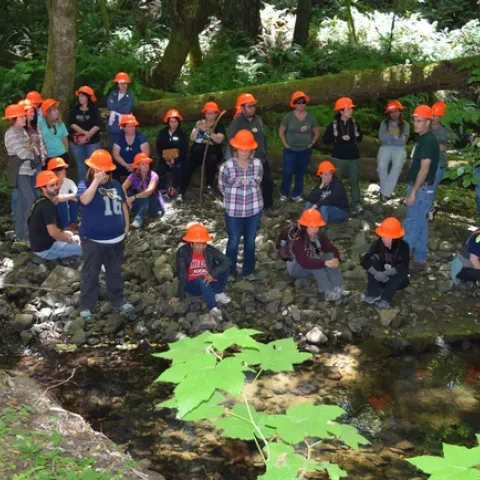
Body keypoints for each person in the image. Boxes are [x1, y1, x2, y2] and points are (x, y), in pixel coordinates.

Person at [77, 149, 134, 320]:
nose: (104, 173)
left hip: (116, 239)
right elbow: (84, 200)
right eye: (99, 170)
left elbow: (124, 204)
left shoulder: (116, 185)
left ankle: (118, 300)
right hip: (93, 240)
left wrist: (126, 225)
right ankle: (87, 305)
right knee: (90, 273)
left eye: (106, 170)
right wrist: (95, 182)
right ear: (92, 169)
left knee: (114, 271)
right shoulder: (84, 185)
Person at [219, 129, 263, 281]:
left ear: (251, 149)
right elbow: (222, 186)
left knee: (250, 241)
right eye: (241, 148)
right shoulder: (227, 166)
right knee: (233, 241)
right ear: (235, 148)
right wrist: (233, 196)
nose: (244, 152)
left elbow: (259, 181)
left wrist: (240, 184)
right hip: (233, 211)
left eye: (247, 149)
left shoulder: (257, 164)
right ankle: (229, 272)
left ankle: (248, 271)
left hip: (254, 208)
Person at [169, 224, 232, 321]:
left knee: (225, 268)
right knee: (202, 280)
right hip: (193, 285)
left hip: (209, 280)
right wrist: (179, 295)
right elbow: (182, 274)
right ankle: (213, 308)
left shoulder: (208, 249)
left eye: (204, 243)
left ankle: (218, 292)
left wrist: (213, 274)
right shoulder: (183, 252)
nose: (202, 246)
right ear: (191, 243)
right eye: (198, 244)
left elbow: (227, 261)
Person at [403, 105, 440, 271]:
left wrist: (413, 192)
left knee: (411, 223)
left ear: (427, 122)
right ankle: (420, 259)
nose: (415, 124)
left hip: (422, 189)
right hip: (422, 188)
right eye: (414, 120)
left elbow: (424, 168)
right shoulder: (424, 139)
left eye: (419, 121)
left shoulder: (428, 140)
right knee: (420, 222)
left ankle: (400, 259)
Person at [226, 93, 275, 214]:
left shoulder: (258, 120)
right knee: (249, 186)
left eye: (253, 105)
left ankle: (268, 207)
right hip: (245, 161)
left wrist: (265, 152)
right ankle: (248, 210)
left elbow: (263, 138)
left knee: (268, 183)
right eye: (249, 106)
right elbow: (232, 142)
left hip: (261, 159)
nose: (252, 108)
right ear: (242, 108)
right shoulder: (237, 123)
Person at [286, 208, 349, 301]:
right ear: (305, 226)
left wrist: (336, 258)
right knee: (317, 265)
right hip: (297, 268)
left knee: (330, 256)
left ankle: (337, 287)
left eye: (317, 227)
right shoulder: (297, 239)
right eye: (311, 227)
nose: (314, 230)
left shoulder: (319, 235)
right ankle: (327, 292)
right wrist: (324, 263)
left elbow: (331, 248)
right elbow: (304, 262)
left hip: (311, 260)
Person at [28, 170, 82, 260]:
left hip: (39, 244)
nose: (56, 187)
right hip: (47, 249)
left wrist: (70, 196)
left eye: (56, 184)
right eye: (52, 185)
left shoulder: (39, 201)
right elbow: (53, 232)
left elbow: (59, 198)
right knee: (88, 246)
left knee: (69, 233)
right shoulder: (47, 206)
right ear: (43, 188)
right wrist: (71, 240)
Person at [323, 97, 364, 214]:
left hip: (354, 158)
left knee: (354, 181)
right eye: (348, 108)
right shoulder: (334, 125)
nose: (351, 110)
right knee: (336, 181)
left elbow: (360, 139)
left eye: (351, 108)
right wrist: (333, 135)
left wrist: (357, 134)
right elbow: (325, 141)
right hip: (338, 158)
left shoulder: (355, 123)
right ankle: (333, 202)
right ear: (341, 111)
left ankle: (356, 203)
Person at [178, 102, 225, 201]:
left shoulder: (219, 125)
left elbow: (219, 140)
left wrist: (208, 131)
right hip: (197, 152)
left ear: (216, 114)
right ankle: (181, 192)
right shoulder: (199, 123)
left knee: (212, 161)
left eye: (212, 113)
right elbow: (192, 138)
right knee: (188, 166)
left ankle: (208, 186)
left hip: (212, 151)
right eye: (208, 113)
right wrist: (198, 128)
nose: (209, 115)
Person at [4, 104, 37, 245]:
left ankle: (21, 236)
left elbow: (32, 150)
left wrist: (29, 147)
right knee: (30, 201)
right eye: (22, 116)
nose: (25, 118)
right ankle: (28, 236)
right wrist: (30, 147)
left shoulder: (22, 131)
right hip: (20, 172)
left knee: (22, 205)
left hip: (28, 171)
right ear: (14, 118)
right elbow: (24, 153)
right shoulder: (10, 134)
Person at [279, 91, 320, 202]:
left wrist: (311, 144)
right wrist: (285, 144)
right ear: (294, 104)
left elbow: (316, 132)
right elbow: (281, 131)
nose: (301, 104)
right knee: (288, 171)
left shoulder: (310, 117)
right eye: (298, 102)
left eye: (303, 102)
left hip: (305, 150)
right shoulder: (289, 116)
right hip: (290, 150)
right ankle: (284, 192)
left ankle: (296, 193)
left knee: (300, 172)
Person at [361, 217, 410, 309]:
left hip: (397, 280)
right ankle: (374, 293)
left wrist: (386, 273)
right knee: (372, 261)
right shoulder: (377, 244)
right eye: (384, 237)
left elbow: (403, 266)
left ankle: (386, 298)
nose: (386, 240)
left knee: (401, 271)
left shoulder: (404, 246)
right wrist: (377, 273)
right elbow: (365, 260)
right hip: (380, 278)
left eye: (389, 237)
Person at [68, 85, 102, 182]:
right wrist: (83, 133)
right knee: (81, 165)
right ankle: (82, 187)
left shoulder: (94, 110)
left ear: (88, 98)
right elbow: (71, 123)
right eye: (79, 96)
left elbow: (98, 124)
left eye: (83, 96)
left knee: (93, 165)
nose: (81, 98)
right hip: (76, 143)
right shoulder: (74, 109)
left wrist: (88, 135)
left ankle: (94, 185)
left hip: (93, 142)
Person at [377, 100, 410, 200]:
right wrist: (395, 134)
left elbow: (403, 141)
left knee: (397, 166)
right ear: (389, 113)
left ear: (400, 111)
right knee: (381, 166)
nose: (394, 114)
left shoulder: (406, 125)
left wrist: (389, 134)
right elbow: (381, 137)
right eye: (392, 112)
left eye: (396, 111)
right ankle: (387, 192)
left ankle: (385, 193)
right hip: (385, 147)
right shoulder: (384, 123)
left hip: (399, 149)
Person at [122, 152, 165, 229]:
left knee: (145, 199)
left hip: (152, 200)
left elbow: (149, 191)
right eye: (143, 164)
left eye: (147, 163)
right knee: (126, 194)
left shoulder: (154, 176)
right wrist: (126, 198)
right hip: (139, 200)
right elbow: (123, 187)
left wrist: (133, 198)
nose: (146, 166)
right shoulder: (133, 175)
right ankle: (125, 213)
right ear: (138, 166)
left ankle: (138, 219)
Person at [156, 109, 189, 198]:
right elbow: (159, 148)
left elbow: (184, 150)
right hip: (165, 158)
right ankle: (162, 188)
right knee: (160, 168)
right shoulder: (162, 134)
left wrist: (175, 160)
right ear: (168, 122)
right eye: (171, 122)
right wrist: (165, 160)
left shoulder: (182, 135)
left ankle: (173, 187)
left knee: (179, 168)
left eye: (175, 122)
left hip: (179, 159)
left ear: (178, 122)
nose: (173, 124)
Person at [428, 101, 451, 220]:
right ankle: (426, 206)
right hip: (427, 160)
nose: (434, 118)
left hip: (439, 162)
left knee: (431, 185)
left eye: (436, 116)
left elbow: (447, 146)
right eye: (433, 115)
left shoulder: (446, 130)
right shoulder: (427, 127)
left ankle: (429, 209)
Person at [112, 114, 149, 181]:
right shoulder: (119, 138)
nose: (132, 128)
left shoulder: (141, 138)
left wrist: (135, 165)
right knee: (114, 169)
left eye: (133, 126)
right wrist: (125, 165)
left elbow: (146, 155)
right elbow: (116, 154)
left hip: (138, 164)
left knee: (144, 166)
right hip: (123, 164)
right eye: (129, 127)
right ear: (123, 128)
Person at [46, 157, 79, 231]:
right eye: (61, 169)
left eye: (64, 168)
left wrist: (66, 197)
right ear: (54, 172)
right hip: (52, 211)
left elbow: (78, 195)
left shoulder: (68, 181)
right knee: (62, 202)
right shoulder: (49, 183)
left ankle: (73, 224)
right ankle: (66, 227)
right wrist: (67, 197)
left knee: (74, 200)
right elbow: (54, 199)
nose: (64, 171)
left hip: (64, 207)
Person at [107, 72, 135, 146]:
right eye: (121, 83)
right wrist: (120, 106)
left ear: (127, 84)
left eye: (125, 83)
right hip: (113, 125)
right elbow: (109, 105)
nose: (123, 85)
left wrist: (114, 106)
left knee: (124, 147)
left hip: (125, 125)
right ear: (117, 84)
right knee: (112, 146)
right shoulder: (113, 93)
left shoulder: (130, 95)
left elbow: (127, 109)